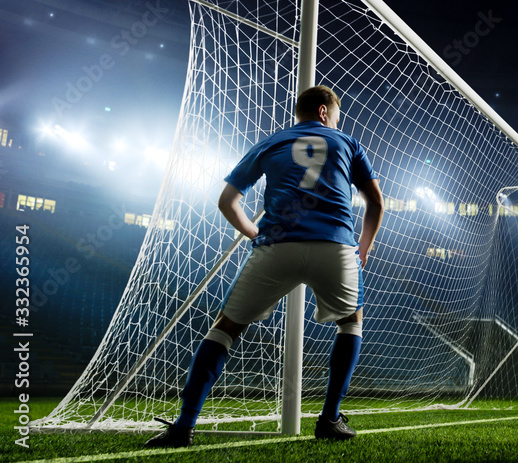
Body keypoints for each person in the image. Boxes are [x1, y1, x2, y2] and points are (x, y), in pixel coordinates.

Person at [146, 85, 384, 447]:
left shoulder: (270, 142)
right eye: (337, 114)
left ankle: (183, 427)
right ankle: (330, 419)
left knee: (225, 328)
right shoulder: (347, 142)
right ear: (324, 112)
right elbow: (375, 202)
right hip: (334, 246)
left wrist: (254, 231)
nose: (337, 120)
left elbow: (227, 201)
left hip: (277, 245)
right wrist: (362, 248)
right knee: (350, 324)